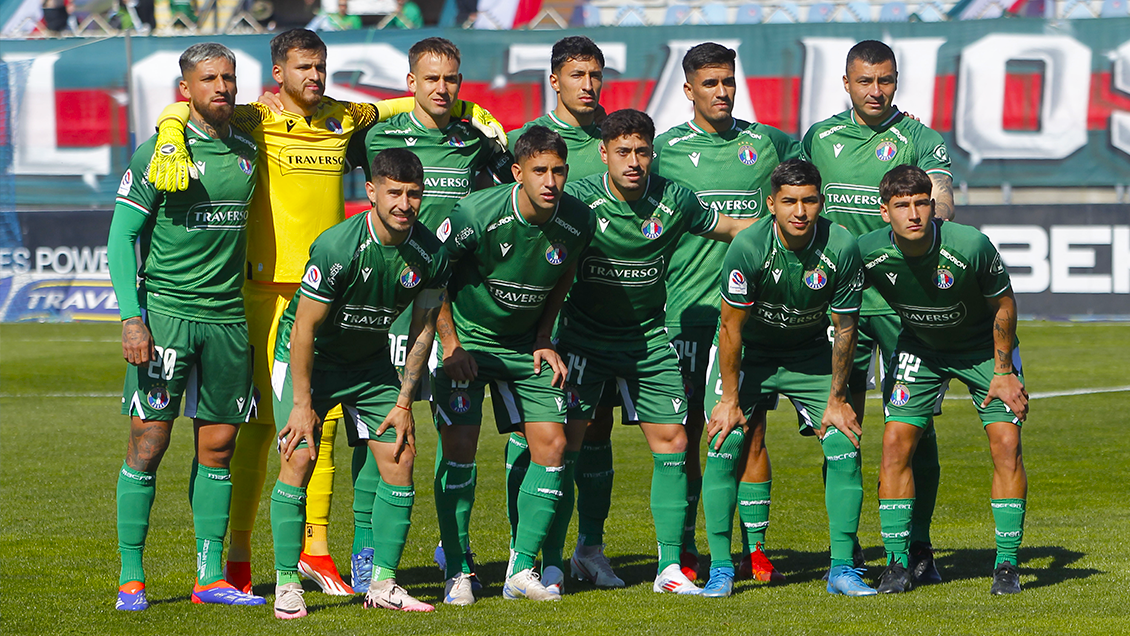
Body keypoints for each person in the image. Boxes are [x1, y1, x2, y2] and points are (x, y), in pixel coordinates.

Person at [147, 29, 505, 597]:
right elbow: (188, 101)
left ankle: (318, 550)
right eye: (303, 67)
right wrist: (170, 131)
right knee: (264, 428)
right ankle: (235, 560)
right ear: (278, 71)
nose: (314, 76)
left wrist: (468, 107)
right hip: (267, 294)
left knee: (330, 427)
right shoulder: (253, 118)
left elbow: (396, 102)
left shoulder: (344, 118)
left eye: (320, 66)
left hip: (341, 287)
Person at [557, 108, 753, 595]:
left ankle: (668, 568)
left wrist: (791, 224)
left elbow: (728, 227)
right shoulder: (578, 201)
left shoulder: (675, 199)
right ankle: (570, 556)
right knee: (569, 446)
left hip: (646, 338)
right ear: (603, 154)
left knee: (674, 441)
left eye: (642, 151)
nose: (634, 161)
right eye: (622, 152)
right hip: (583, 338)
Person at [352, 36, 514, 591]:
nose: (442, 89)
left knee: (454, 436)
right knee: (383, 437)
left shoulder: (477, 142)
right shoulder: (377, 135)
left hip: (456, 312)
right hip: (389, 310)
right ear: (411, 83)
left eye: (452, 79)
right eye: (431, 78)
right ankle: (365, 551)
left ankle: (454, 548)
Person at [108, 42, 263, 611]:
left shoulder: (251, 146)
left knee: (218, 447)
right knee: (149, 442)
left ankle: (209, 576)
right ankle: (132, 577)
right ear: (186, 90)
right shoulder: (161, 151)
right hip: (168, 316)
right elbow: (121, 236)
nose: (221, 87)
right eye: (208, 79)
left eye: (228, 77)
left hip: (226, 318)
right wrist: (132, 317)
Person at [270, 148, 450, 619]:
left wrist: (406, 400)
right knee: (300, 453)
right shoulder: (337, 247)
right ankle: (287, 583)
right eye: (394, 193)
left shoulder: (430, 253)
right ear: (371, 192)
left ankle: (384, 584)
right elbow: (304, 329)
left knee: (400, 455)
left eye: (413, 194)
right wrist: (302, 403)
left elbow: (424, 325)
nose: (404, 204)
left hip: (368, 365)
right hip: (309, 361)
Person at [802, 39, 954, 583]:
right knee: (840, 422)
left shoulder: (920, 138)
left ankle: (918, 544)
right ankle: (849, 550)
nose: (875, 90)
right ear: (846, 83)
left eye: (885, 80)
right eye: (865, 81)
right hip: (840, 303)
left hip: (905, 305)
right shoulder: (820, 138)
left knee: (914, 427)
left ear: (897, 80)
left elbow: (943, 202)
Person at [653, 42, 802, 584]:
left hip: (754, 317)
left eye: (728, 82)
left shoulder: (767, 143)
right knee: (690, 434)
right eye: (710, 83)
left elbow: (806, 198)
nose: (721, 92)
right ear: (688, 89)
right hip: (688, 312)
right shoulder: (663, 150)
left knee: (752, 432)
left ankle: (755, 550)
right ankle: (691, 546)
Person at [431, 126, 595, 605]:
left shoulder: (577, 220)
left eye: (559, 171)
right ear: (518, 172)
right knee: (460, 446)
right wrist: (450, 342)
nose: (550, 181)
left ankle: (520, 570)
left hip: (526, 348)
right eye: (539, 171)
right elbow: (435, 277)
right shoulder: (477, 213)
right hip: (469, 344)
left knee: (554, 444)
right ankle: (458, 570)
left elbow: (564, 276)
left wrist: (544, 336)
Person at [701, 159, 875, 598]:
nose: (800, 211)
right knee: (726, 439)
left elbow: (847, 328)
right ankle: (721, 568)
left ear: (821, 202)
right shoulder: (748, 246)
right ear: (771, 204)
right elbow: (730, 329)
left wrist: (837, 400)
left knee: (843, 441)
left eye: (809, 201)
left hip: (807, 354)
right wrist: (730, 400)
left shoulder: (842, 245)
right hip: (751, 355)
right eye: (790, 202)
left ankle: (841, 569)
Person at [859, 165, 1027, 595]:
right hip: (920, 348)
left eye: (920, 204)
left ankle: (1006, 564)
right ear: (885, 212)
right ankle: (897, 564)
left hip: (983, 350)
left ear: (933, 207)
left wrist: (1004, 371)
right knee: (895, 441)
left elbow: (1004, 306)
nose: (913, 214)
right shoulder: (868, 252)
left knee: (1006, 442)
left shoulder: (971, 245)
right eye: (902, 206)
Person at [498, 34, 612, 590]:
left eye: (596, 75)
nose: (588, 86)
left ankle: (577, 552)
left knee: (590, 434)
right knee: (532, 436)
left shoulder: (617, 138)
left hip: (597, 314)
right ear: (555, 80)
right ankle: (526, 553)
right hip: (541, 320)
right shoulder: (530, 144)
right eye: (577, 75)